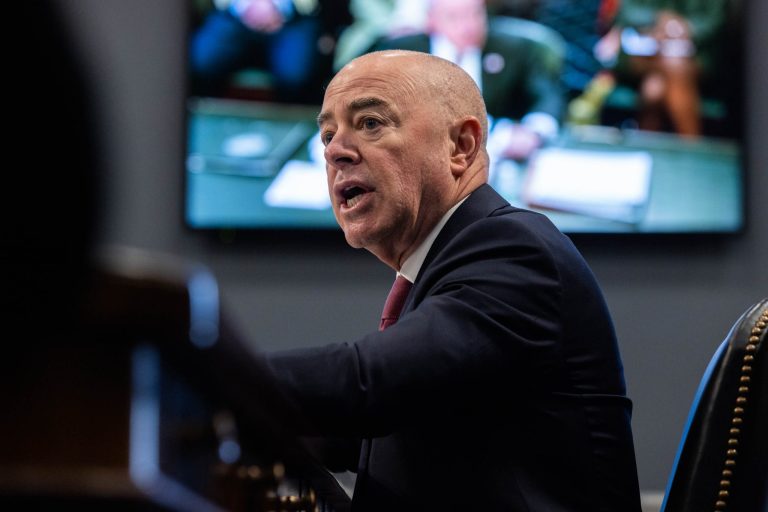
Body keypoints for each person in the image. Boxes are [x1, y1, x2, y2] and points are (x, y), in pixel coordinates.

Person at [261, 49, 642, 510]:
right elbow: (364, 435)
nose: (336, 151)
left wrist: (199, 370)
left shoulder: (517, 249)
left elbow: (369, 382)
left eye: (370, 123)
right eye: (327, 134)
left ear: (460, 146)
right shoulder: (440, 269)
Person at [371, 0, 565, 161]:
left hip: (495, 159)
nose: (468, 25)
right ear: (431, 21)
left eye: (476, 15)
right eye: (454, 17)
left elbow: (546, 95)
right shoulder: (400, 52)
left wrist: (533, 132)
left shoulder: (514, 48)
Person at [592, 0, 731, 137]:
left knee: (654, 89)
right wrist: (658, 20)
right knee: (674, 65)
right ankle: (693, 147)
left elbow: (716, 21)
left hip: (695, 56)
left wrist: (683, 28)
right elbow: (627, 13)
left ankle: (648, 150)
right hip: (643, 54)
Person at [189, 0, 351, 103]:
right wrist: (247, 6)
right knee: (199, 60)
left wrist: (276, 7)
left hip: (293, 17)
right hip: (233, 14)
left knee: (296, 74)